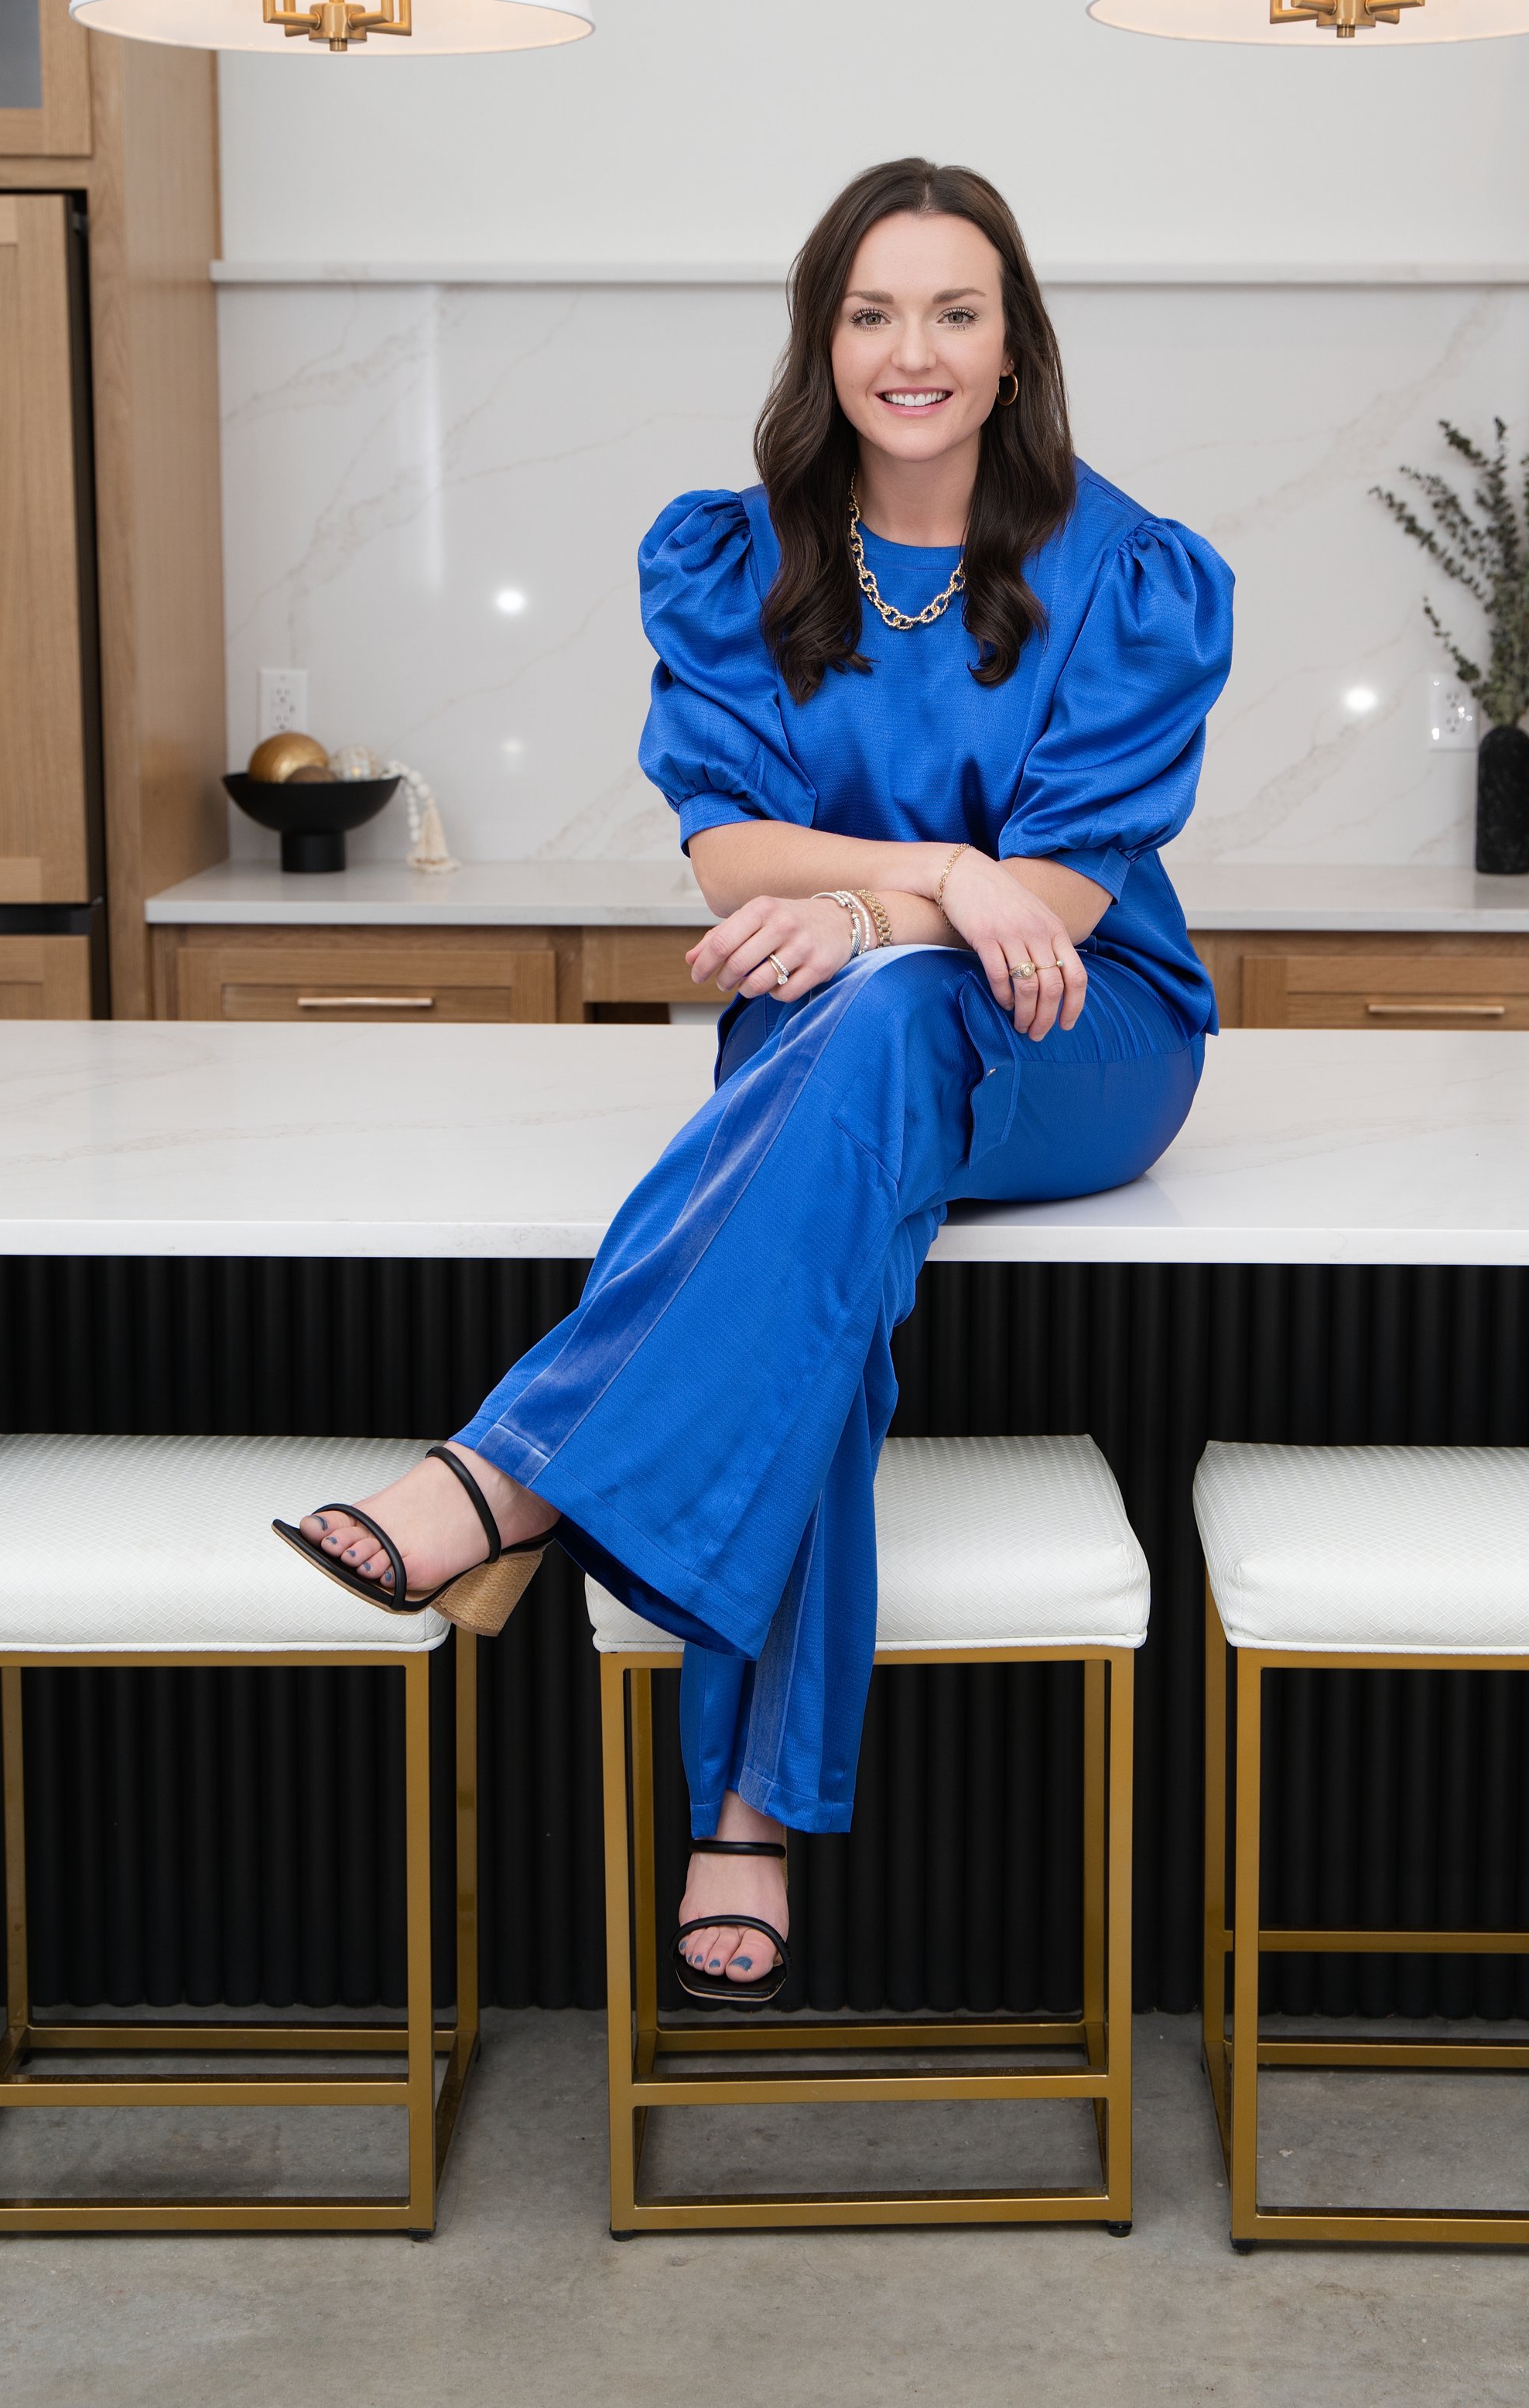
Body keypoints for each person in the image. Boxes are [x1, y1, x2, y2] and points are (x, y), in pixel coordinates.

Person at [278, 156, 1233, 2006]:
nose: (913, 350)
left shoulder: (1131, 574)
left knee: (871, 1037)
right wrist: (928, 879)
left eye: (956, 311)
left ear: (1016, 343)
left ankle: (516, 1473)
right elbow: (723, 861)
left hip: (1081, 1032)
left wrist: (900, 911)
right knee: (835, 1266)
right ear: (821, 339)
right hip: (838, 1038)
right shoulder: (733, 554)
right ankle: (749, 1810)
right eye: (872, 311)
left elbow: (1048, 900)